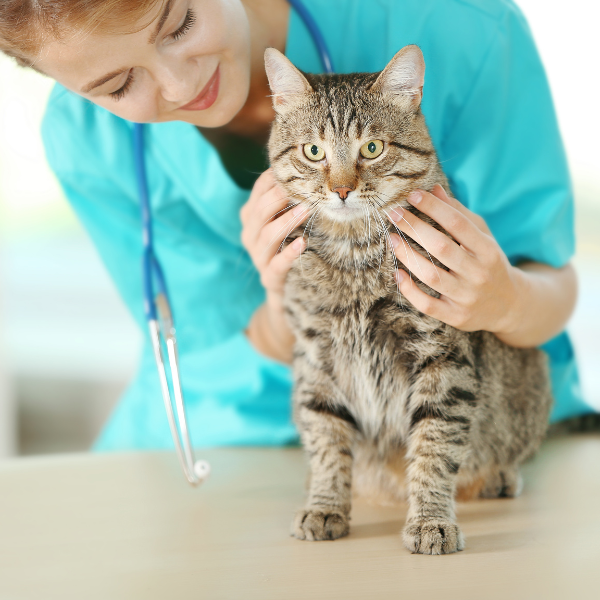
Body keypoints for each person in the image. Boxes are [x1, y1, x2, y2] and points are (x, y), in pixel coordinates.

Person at [0, 0, 591, 451]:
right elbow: (201, 360)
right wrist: (286, 308)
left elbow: (550, 278)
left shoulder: (458, 24)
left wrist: (503, 300)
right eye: (119, 84)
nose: (181, 86)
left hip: (468, 430)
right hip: (226, 443)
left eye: (179, 24)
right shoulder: (86, 137)